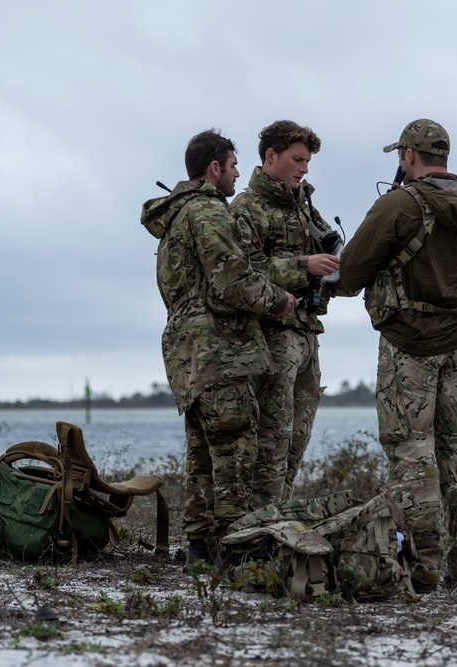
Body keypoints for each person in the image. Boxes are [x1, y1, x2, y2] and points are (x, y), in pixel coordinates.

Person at [338, 119, 457, 592]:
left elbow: (350, 274)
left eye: (400, 156)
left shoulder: (398, 204)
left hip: (408, 344)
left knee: (412, 451)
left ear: (409, 156)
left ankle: (425, 564)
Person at [141, 129, 298, 571]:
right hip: (219, 351)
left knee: (202, 455)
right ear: (214, 168)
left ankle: (199, 549)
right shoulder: (208, 213)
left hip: (187, 352)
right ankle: (236, 552)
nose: (235, 176)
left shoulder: (176, 216)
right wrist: (278, 299)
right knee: (235, 452)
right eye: (232, 167)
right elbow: (230, 281)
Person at [229, 120, 344, 507]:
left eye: (308, 161)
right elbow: (241, 271)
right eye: (297, 159)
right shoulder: (246, 209)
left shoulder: (305, 206)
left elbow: (326, 255)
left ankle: (276, 521)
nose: (304, 168)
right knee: (271, 439)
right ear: (270, 156)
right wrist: (303, 265)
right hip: (271, 336)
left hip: (308, 332)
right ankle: (256, 530)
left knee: (297, 439)